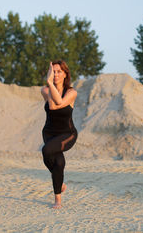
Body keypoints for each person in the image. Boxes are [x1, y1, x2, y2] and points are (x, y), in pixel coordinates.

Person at [40, 60, 78, 209]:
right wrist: (50, 84)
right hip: (49, 133)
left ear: (65, 74)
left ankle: (58, 197)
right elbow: (51, 104)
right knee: (59, 163)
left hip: (67, 134)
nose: (55, 74)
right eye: (53, 71)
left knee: (47, 150)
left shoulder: (71, 92)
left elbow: (58, 103)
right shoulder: (45, 90)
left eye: (58, 71)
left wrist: (50, 83)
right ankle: (59, 191)